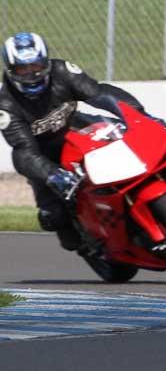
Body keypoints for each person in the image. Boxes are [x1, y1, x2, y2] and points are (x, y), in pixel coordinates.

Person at [0, 32, 157, 252]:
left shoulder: (63, 71)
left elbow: (99, 94)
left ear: (45, 63)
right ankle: (89, 239)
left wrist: (138, 115)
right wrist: (51, 173)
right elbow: (23, 152)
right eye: (22, 69)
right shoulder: (5, 104)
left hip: (76, 127)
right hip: (43, 154)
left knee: (132, 141)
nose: (31, 74)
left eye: (35, 66)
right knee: (53, 219)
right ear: (10, 71)